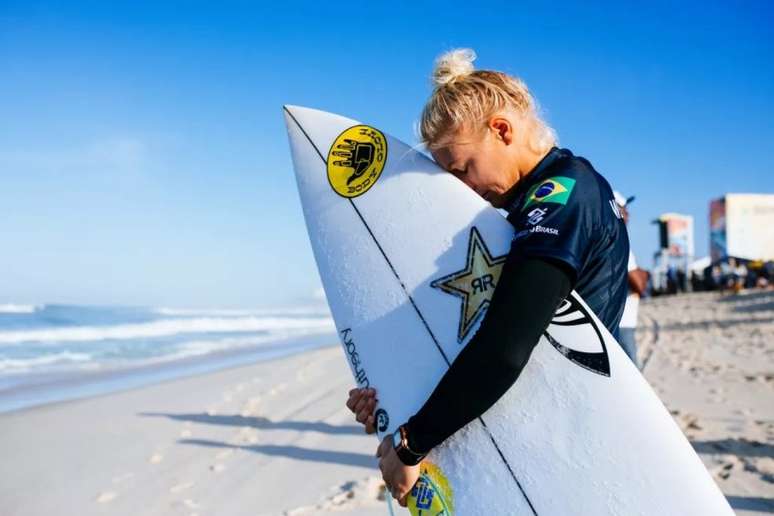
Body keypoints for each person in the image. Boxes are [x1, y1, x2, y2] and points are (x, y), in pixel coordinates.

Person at [345, 48, 630, 506]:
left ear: (501, 130)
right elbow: (463, 324)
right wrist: (392, 392)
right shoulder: (522, 209)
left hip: (562, 439)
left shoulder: (561, 196)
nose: (461, 187)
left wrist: (411, 443)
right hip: (526, 428)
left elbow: (504, 348)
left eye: (461, 168)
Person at [613, 191, 648, 368]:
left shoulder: (604, 238)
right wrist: (642, 275)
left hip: (612, 319)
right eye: (624, 209)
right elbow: (639, 285)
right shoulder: (618, 242)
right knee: (633, 373)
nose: (628, 214)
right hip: (622, 321)